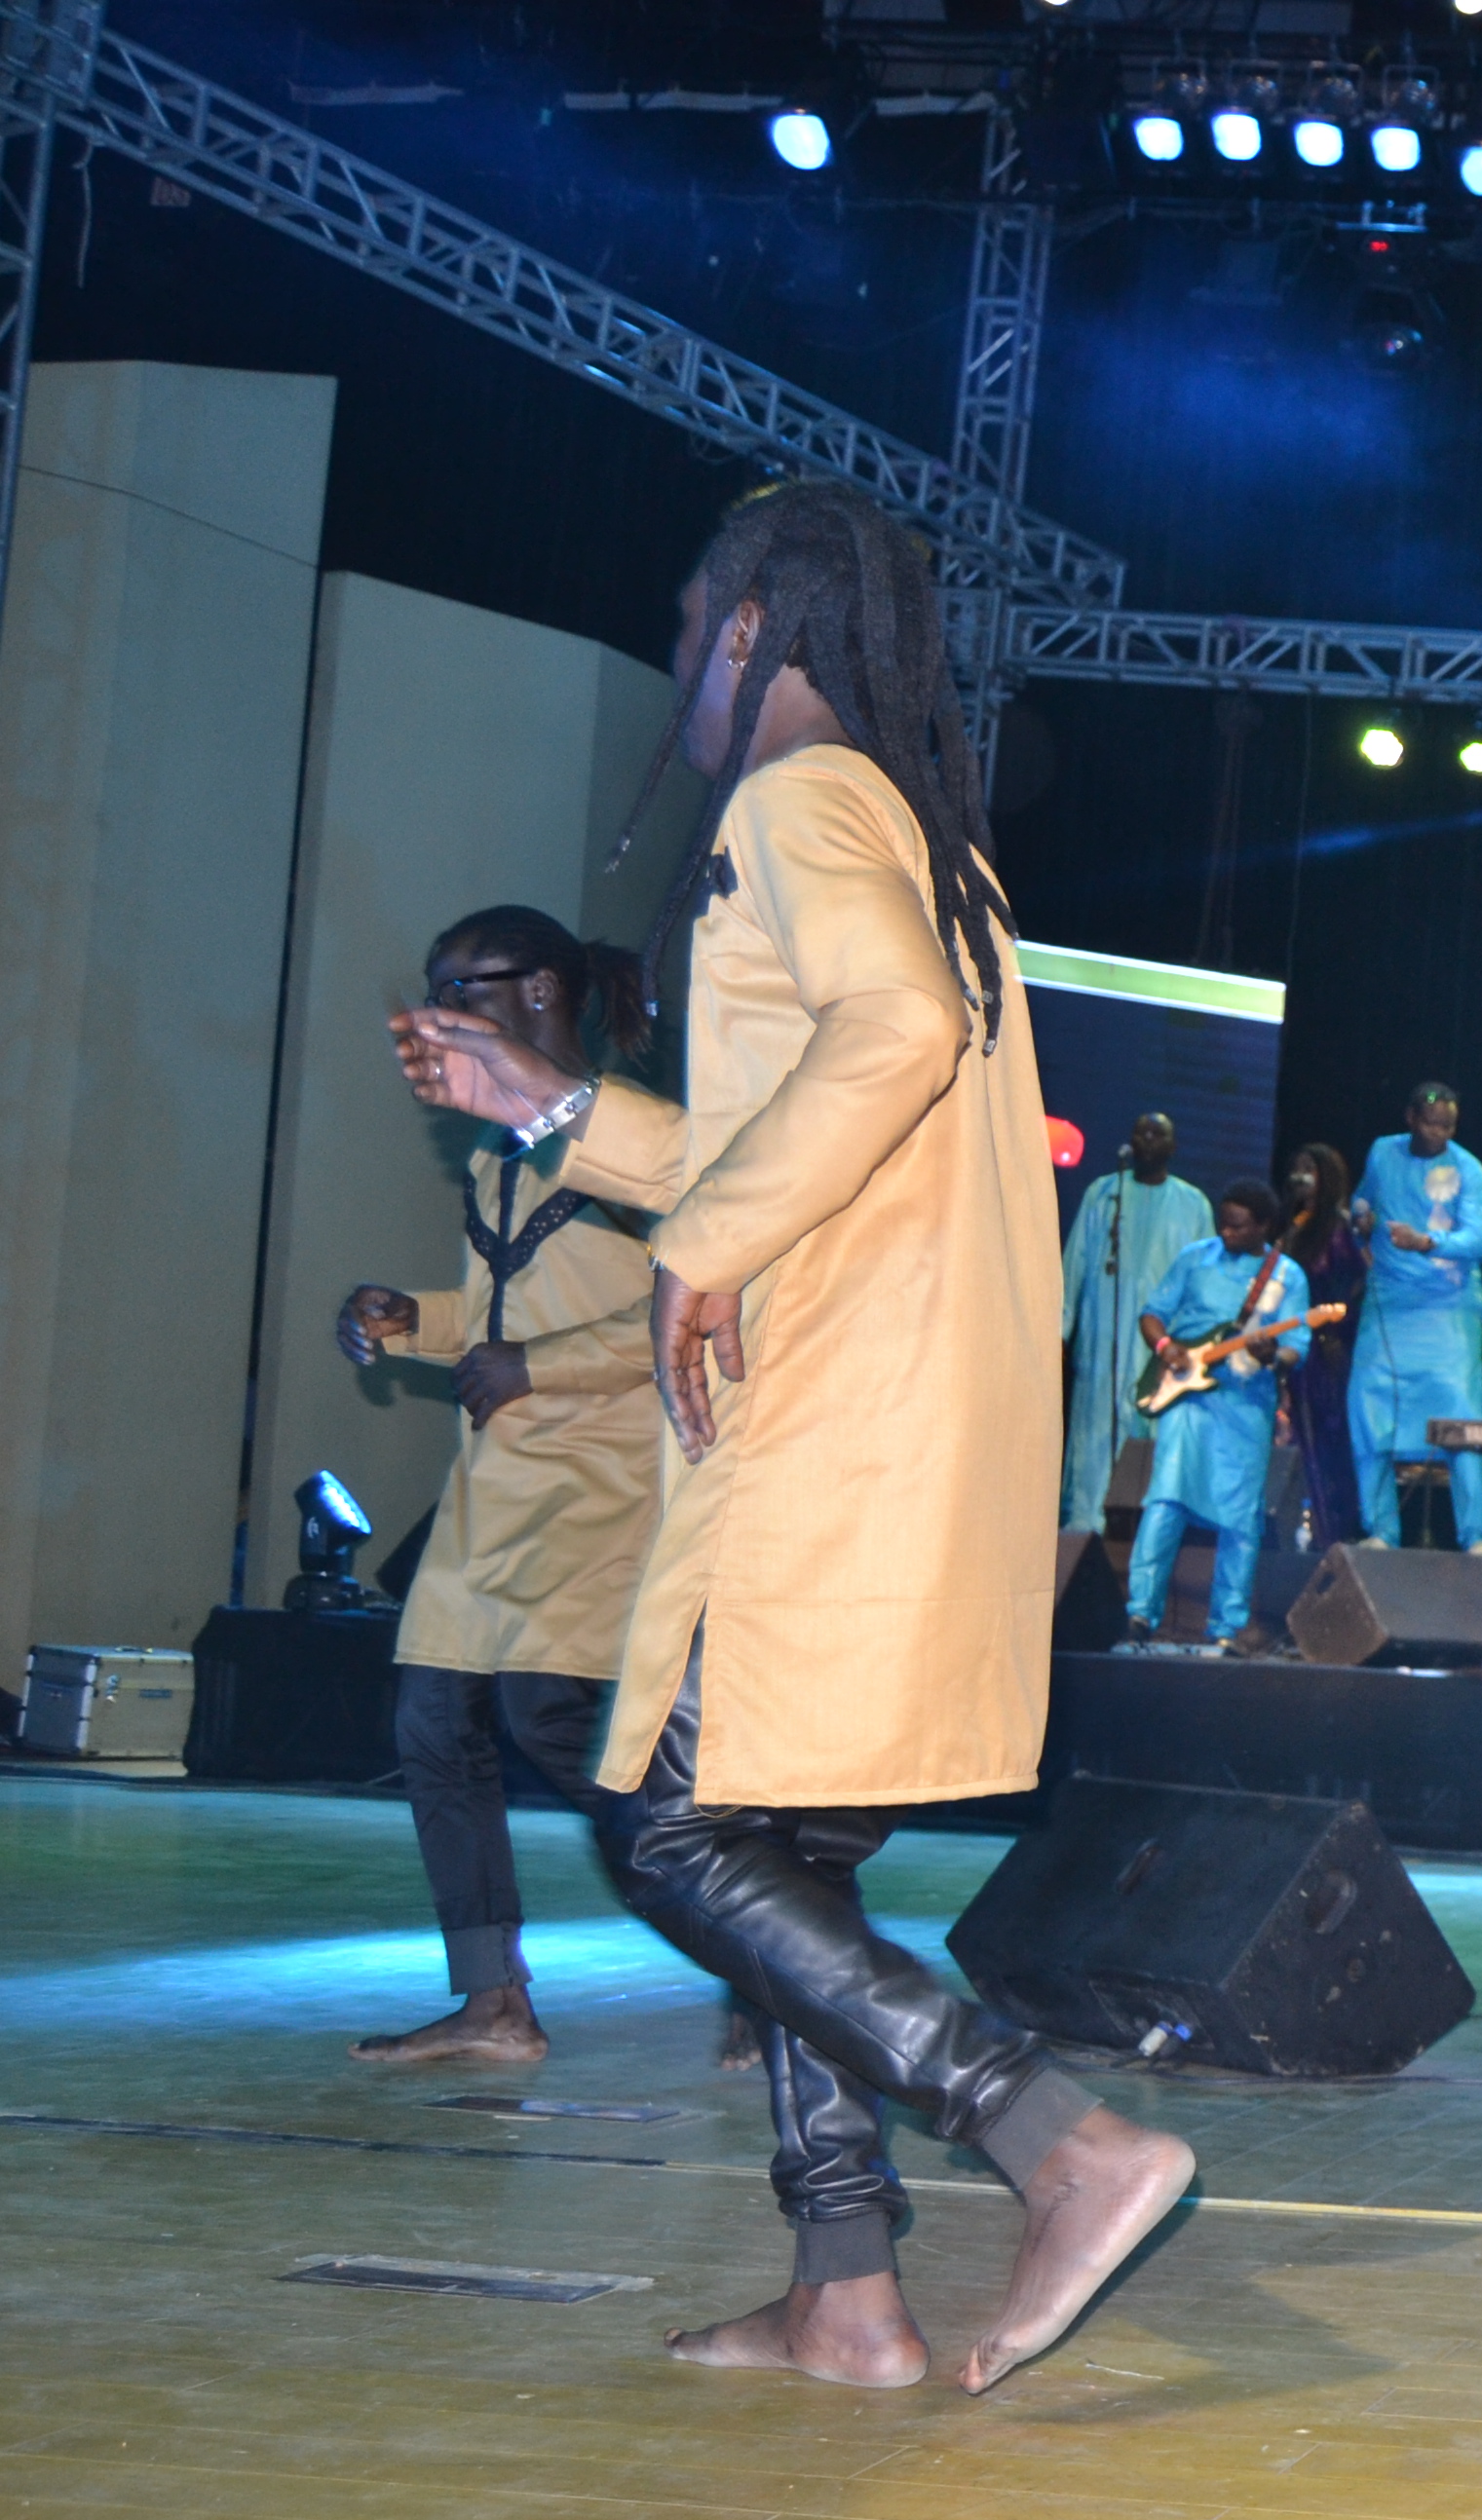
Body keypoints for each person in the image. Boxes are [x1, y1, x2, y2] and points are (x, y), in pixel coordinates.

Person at [393, 476, 1195, 2396]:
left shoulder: (800, 801)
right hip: (911, 1436)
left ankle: (1058, 2142)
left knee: (665, 1823)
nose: (678, 650)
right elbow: (818, 1118)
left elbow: (890, 1039)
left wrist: (712, 1252)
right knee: (776, 1860)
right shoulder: (920, 839)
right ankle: (848, 2291)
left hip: (835, 1442)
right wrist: (554, 1108)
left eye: (691, 618)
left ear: (757, 626)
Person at [339, 910, 746, 2067]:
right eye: (433, 991)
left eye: (462, 988)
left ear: (540, 994)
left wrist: (539, 1367)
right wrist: (407, 1322)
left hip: (604, 1483)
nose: (440, 1014)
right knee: (431, 1722)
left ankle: (766, 1951)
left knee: (554, 1723)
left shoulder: (635, 1155)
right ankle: (493, 2000)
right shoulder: (492, 1157)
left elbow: (695, 1304)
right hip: (493, 1490)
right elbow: (499, 1314)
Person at [1123, 1179, 1310, 1654]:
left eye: (1239, 1225)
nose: (1226, 1231)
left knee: (1240, 1519)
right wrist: (1166, 1349)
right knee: (1165, 1501)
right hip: (1187, 1398)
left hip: (1245, 1405)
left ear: (1264, 1227)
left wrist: (1272, 1355)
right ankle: (1140, 1614)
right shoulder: (1194, 1257)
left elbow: (1296, 1350)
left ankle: (1225, 1627)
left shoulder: (1286, 1275)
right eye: (1222, 1222)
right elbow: (1153, 1313)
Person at [1351, 1081, 1482, 1551]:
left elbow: (1477, 1241)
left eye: (1448, 1126)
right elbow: (1363, 1199)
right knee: (1369, 1404)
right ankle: (1381, 1530)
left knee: (1461, 1408)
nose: (1439, 1133)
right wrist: (1360, 1219)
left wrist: (1427, 1242)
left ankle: (1475, 1535)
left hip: (1446, 1302)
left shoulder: (1469, 1169)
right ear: (1410, 1118)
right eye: (1431, 1123)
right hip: (1390, 1299)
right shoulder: (1382, 1152)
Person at [1058, 1111, 1207, 1539]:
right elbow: (1075, 1265)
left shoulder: (1192, 1204)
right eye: (1140, 1131)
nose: (1147, 1138)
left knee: (1151, 1428)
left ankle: (1143, 1526)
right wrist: (1060, 1333)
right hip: (1102, 1336)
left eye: (1158, 1133)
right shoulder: (1103, 1194)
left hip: (1164, 1342)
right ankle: (1086, 1521)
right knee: (1095, 1425)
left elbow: (1204, 1281)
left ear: (1173, 1147)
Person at [1280, 1142, 1370, 1554]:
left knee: (1325, 1439)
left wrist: (1332, 1334)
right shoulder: (1297, 1223)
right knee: (1298, 1438)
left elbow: (1352, 1287)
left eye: (1309, 1169)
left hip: (1325, 1352)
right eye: (1296, 1168)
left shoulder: (1336, 1229)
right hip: (1296, 1346)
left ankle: (1333, 1533)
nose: (1300, 1176)